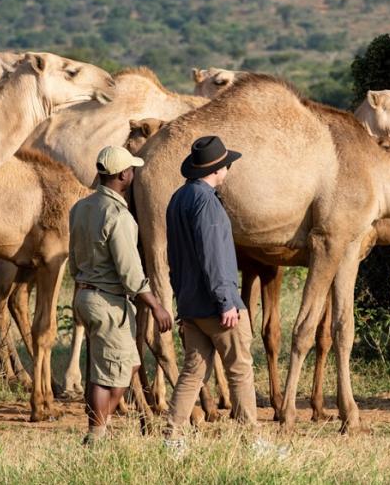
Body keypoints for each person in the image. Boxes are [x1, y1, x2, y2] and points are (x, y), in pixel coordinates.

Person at [69, 145, 172, 445]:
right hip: (108, 302)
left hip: (86, 296)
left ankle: (100, 431)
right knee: (109, 377)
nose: (134, 174)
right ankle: (95, 439)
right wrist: (156, 306)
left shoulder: (81, 208)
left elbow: (74, 260)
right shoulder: (119, 216)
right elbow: (129, 272)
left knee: (122, 365)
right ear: (123, 175)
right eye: (132, 170)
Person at [163, 135, 257, 445]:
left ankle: (172, 437)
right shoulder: (206, 201)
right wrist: (226, 301)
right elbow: (213, 255)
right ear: (219, 168)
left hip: (191, 304)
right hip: (217, 305)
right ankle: (250, 441)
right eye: (227, 164)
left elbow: (175, 257)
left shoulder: (179, 198)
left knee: (193, 372)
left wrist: (183, 302)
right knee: (240, 370)